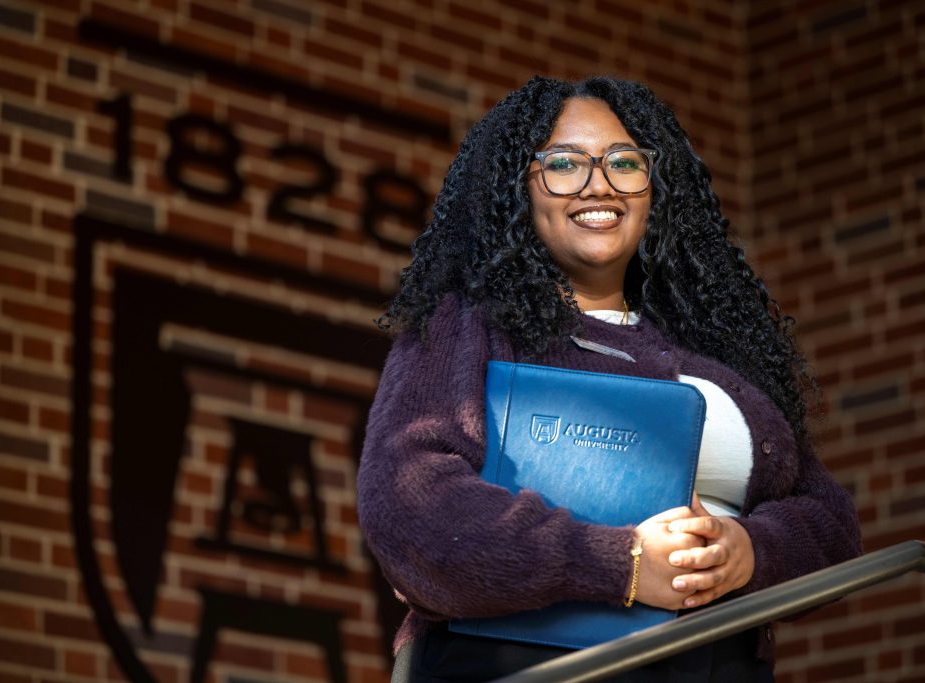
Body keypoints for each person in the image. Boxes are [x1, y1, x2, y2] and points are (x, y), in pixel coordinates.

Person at [356, 76, 862, 682]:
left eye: (624, 162)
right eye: (564, 164)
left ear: (655, 189)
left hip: (714, 661)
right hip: (521, 661)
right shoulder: (466, 326)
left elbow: (830, 522)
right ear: (519, 188)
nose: (599, 184)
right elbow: (409, 508)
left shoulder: (715, 355)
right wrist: (619, 563)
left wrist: (748, 551)